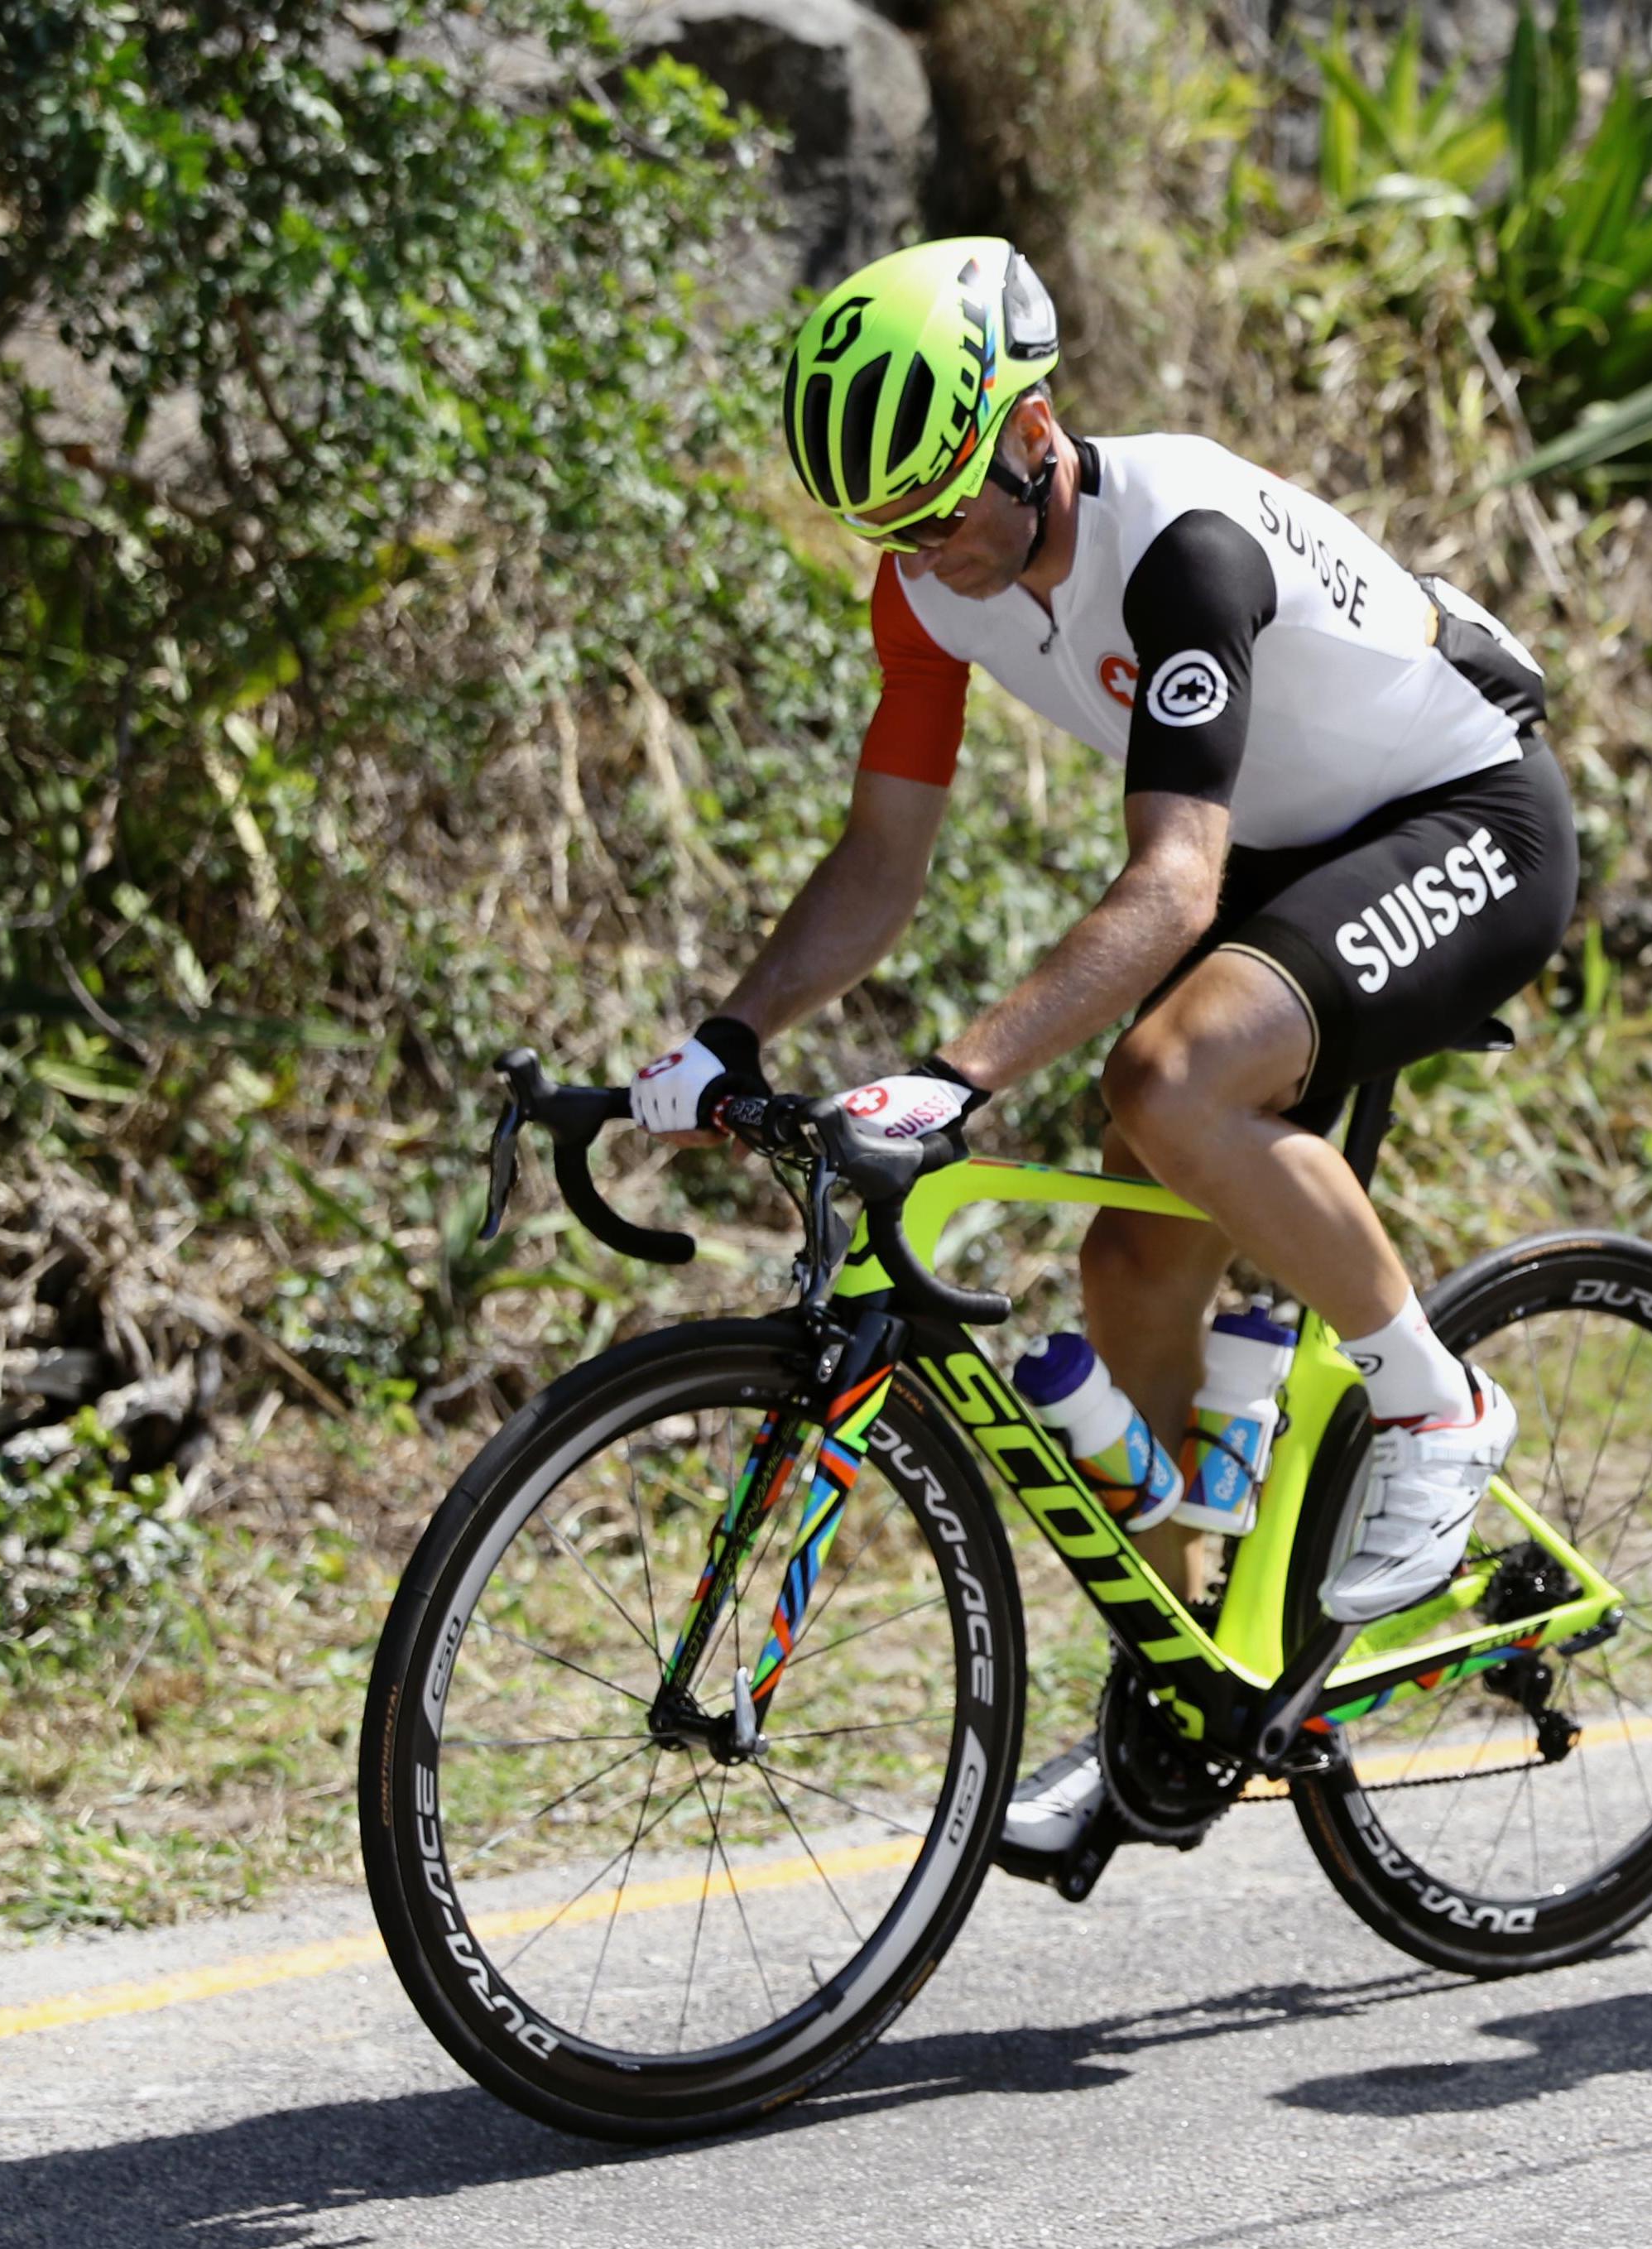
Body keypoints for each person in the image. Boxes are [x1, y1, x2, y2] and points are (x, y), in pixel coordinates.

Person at [636, 237, 1575, 1862]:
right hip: (1285, 858)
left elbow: (1173, 883)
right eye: (889, 528)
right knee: (1127, 1278)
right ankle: (1178, 1692)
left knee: (1161, 1078)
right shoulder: (930, 580)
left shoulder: (1180, 543)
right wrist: (725, 1037)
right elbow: (879, 864)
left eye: (942, 503)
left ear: (1029, 429)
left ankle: (1433, 1409)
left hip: (1457, 818)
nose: (927, 550)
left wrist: (953, 1074)